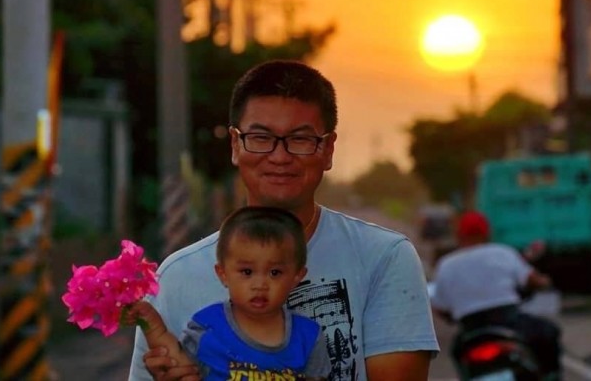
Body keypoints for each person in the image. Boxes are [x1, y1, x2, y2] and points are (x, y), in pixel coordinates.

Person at [129, 60, 438, 381]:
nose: (279, 156)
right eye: (261, 137)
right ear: (236, 145)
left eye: (300, 139)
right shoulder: (177, 276)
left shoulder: (383, 258)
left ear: (328, 149)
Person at [126, 206, 331, 380]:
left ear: (297, 276)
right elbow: (177, 363)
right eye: (247, 272)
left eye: (275, 273)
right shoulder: (207, 327)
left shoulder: (308, 337)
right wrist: (152, 324)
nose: (260, 284)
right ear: (222, 274)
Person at [430, 210, 562, 378]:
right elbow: (532, 280)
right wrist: (545, 282)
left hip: (471, 330)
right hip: (509, 323)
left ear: (459, 235)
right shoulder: (501, 252)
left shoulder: (446, 264)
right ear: (487, 233)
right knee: (549, 332)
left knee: (457, 353)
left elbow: (440, 306)